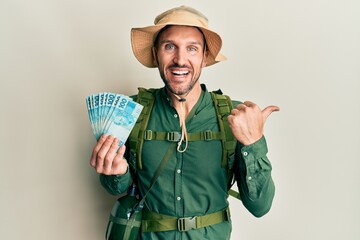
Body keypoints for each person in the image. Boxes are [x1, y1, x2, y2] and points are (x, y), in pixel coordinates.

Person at [90, 5, 279, 240]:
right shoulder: (131, 111)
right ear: (156, 52)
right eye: (170, 47)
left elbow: (260, 207)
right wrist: (117, 172)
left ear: (205, 56)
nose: (180, 59)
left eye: (192, 48)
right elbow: (115, 188)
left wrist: (253, 145)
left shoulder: (235, 116)